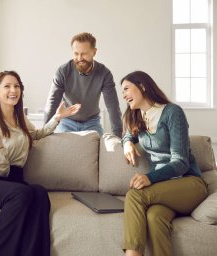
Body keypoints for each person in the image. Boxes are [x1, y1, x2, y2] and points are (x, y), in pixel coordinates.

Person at [0, 70, 80, 256]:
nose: (13, 90)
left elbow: (36, 134)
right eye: (7, 86)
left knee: (38, 192)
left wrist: (58, 117)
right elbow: (2, 170)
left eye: (16, 86)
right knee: (22, 193)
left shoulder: (19, 118)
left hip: (14, 182)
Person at [120, 71, 207, 256]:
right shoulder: (137, 117)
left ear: (142, 86)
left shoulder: (172, 112)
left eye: (127, 89)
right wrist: (127, 142)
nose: (124, 95)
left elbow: (181, 162)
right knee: (154, 216)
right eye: (122, 92)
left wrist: (149, 177)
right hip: (165, 189)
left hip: (189, 183)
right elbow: (128, 133)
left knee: (135, 195)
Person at [44, 32, 122, 137]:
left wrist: (118, 136)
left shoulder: (104, 74)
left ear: (94, 52)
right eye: (76, 53)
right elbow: (52, 103)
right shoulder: (63, 72)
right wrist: (44, 133)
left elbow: (113, 107)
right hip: (67, 121)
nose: (79, 58)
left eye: (84, 54)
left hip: (92, 122)